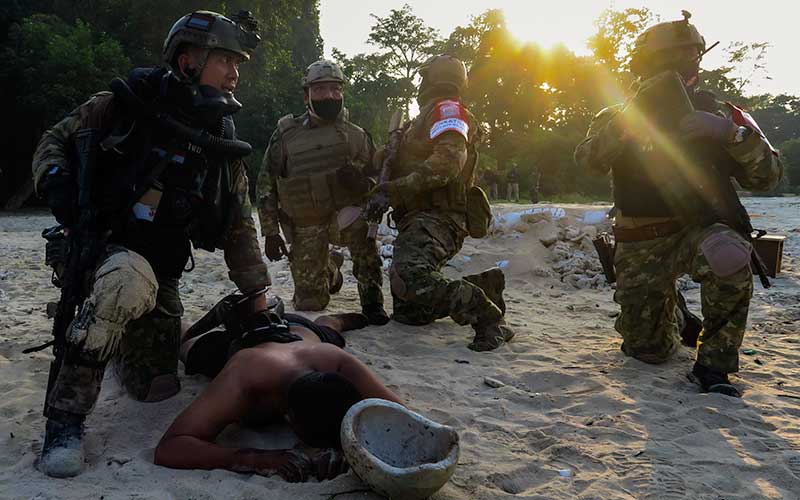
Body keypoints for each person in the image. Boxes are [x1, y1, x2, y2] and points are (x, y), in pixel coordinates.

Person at [31, 10, 268, 477]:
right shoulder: (122, 104)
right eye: (225, 60)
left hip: (163, 272)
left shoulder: (219, 137)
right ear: (187, 61)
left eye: (239, 63)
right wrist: (56, 182)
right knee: (124, 282)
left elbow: (240, 224)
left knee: (155, 386)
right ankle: (65, 421)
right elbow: (51, 142)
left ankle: (109, 339)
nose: (236, 73)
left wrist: (258, 296)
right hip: (106, 250)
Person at [574, 11, 783, 397]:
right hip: (640, 240)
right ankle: (675, 315)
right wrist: (624, 126)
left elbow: (769, 175)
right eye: (668, 61)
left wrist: (731, 134)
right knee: (647, 351)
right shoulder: (616, 116)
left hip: (699, 229)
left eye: (687, 58)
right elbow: (586, 161)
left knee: (728, 256)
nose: (679, 69)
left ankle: (713, 366)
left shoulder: (720, 112)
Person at [154, 294, 402, 483]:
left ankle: (336, 320)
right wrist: (255, 459)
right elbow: (170, 447)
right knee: (187, 347)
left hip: (301, 333)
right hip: (239, 346)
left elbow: (401, 417)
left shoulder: (335, 361)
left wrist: (347, 448)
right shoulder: (244, 376)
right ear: (287, 417)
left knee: (328, 327)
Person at [370, 55, 513, 352]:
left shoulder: (447, 110)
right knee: (410, 312)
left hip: (440, 215)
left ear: (432, 80)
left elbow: (448, 162)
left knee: (411, 278)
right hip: (418, 216)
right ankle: (484, 287)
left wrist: (394, 189)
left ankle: (487, 316)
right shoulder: (420, 119)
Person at [257, 60, 388, 324]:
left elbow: (379, 178)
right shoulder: (285, 137)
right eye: (320, 90)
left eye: (335, 89)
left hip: (347, 217)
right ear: (307, 95)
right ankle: (331, 269)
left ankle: (372, 300)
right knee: (310, 302)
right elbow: (266, 183)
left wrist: (364, 184)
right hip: (306, 222)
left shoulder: (357, 136)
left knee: (365, 237)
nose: (329, 95)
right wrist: (270, 232)